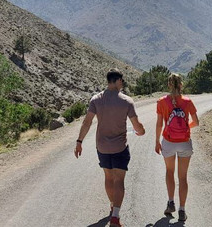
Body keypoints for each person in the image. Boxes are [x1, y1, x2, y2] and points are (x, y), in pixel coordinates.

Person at [74, 68, 145, 227]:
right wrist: (141, 131)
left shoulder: (96, 100)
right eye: (122, 81)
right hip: (120, 147)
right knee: (119, 179)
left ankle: (113, 205)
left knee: (108, 177)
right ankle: (115, 216)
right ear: (118, 80)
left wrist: (79, 141)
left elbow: (87, 122)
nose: (122, 84)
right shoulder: (126, 101)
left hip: (102, 147)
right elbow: (136, 125)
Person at [155, 73, 199, 222]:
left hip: (168, 141)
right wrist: (186, 128)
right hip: (185, 142)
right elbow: (196, 122)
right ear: (181, 85)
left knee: (169, 171)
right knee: (183, 177)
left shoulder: (161, 102)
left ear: (169, 85)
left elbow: (159, 124)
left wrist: (156, 141)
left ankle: (170, 202)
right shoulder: (187, 101)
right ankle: (182, 210)